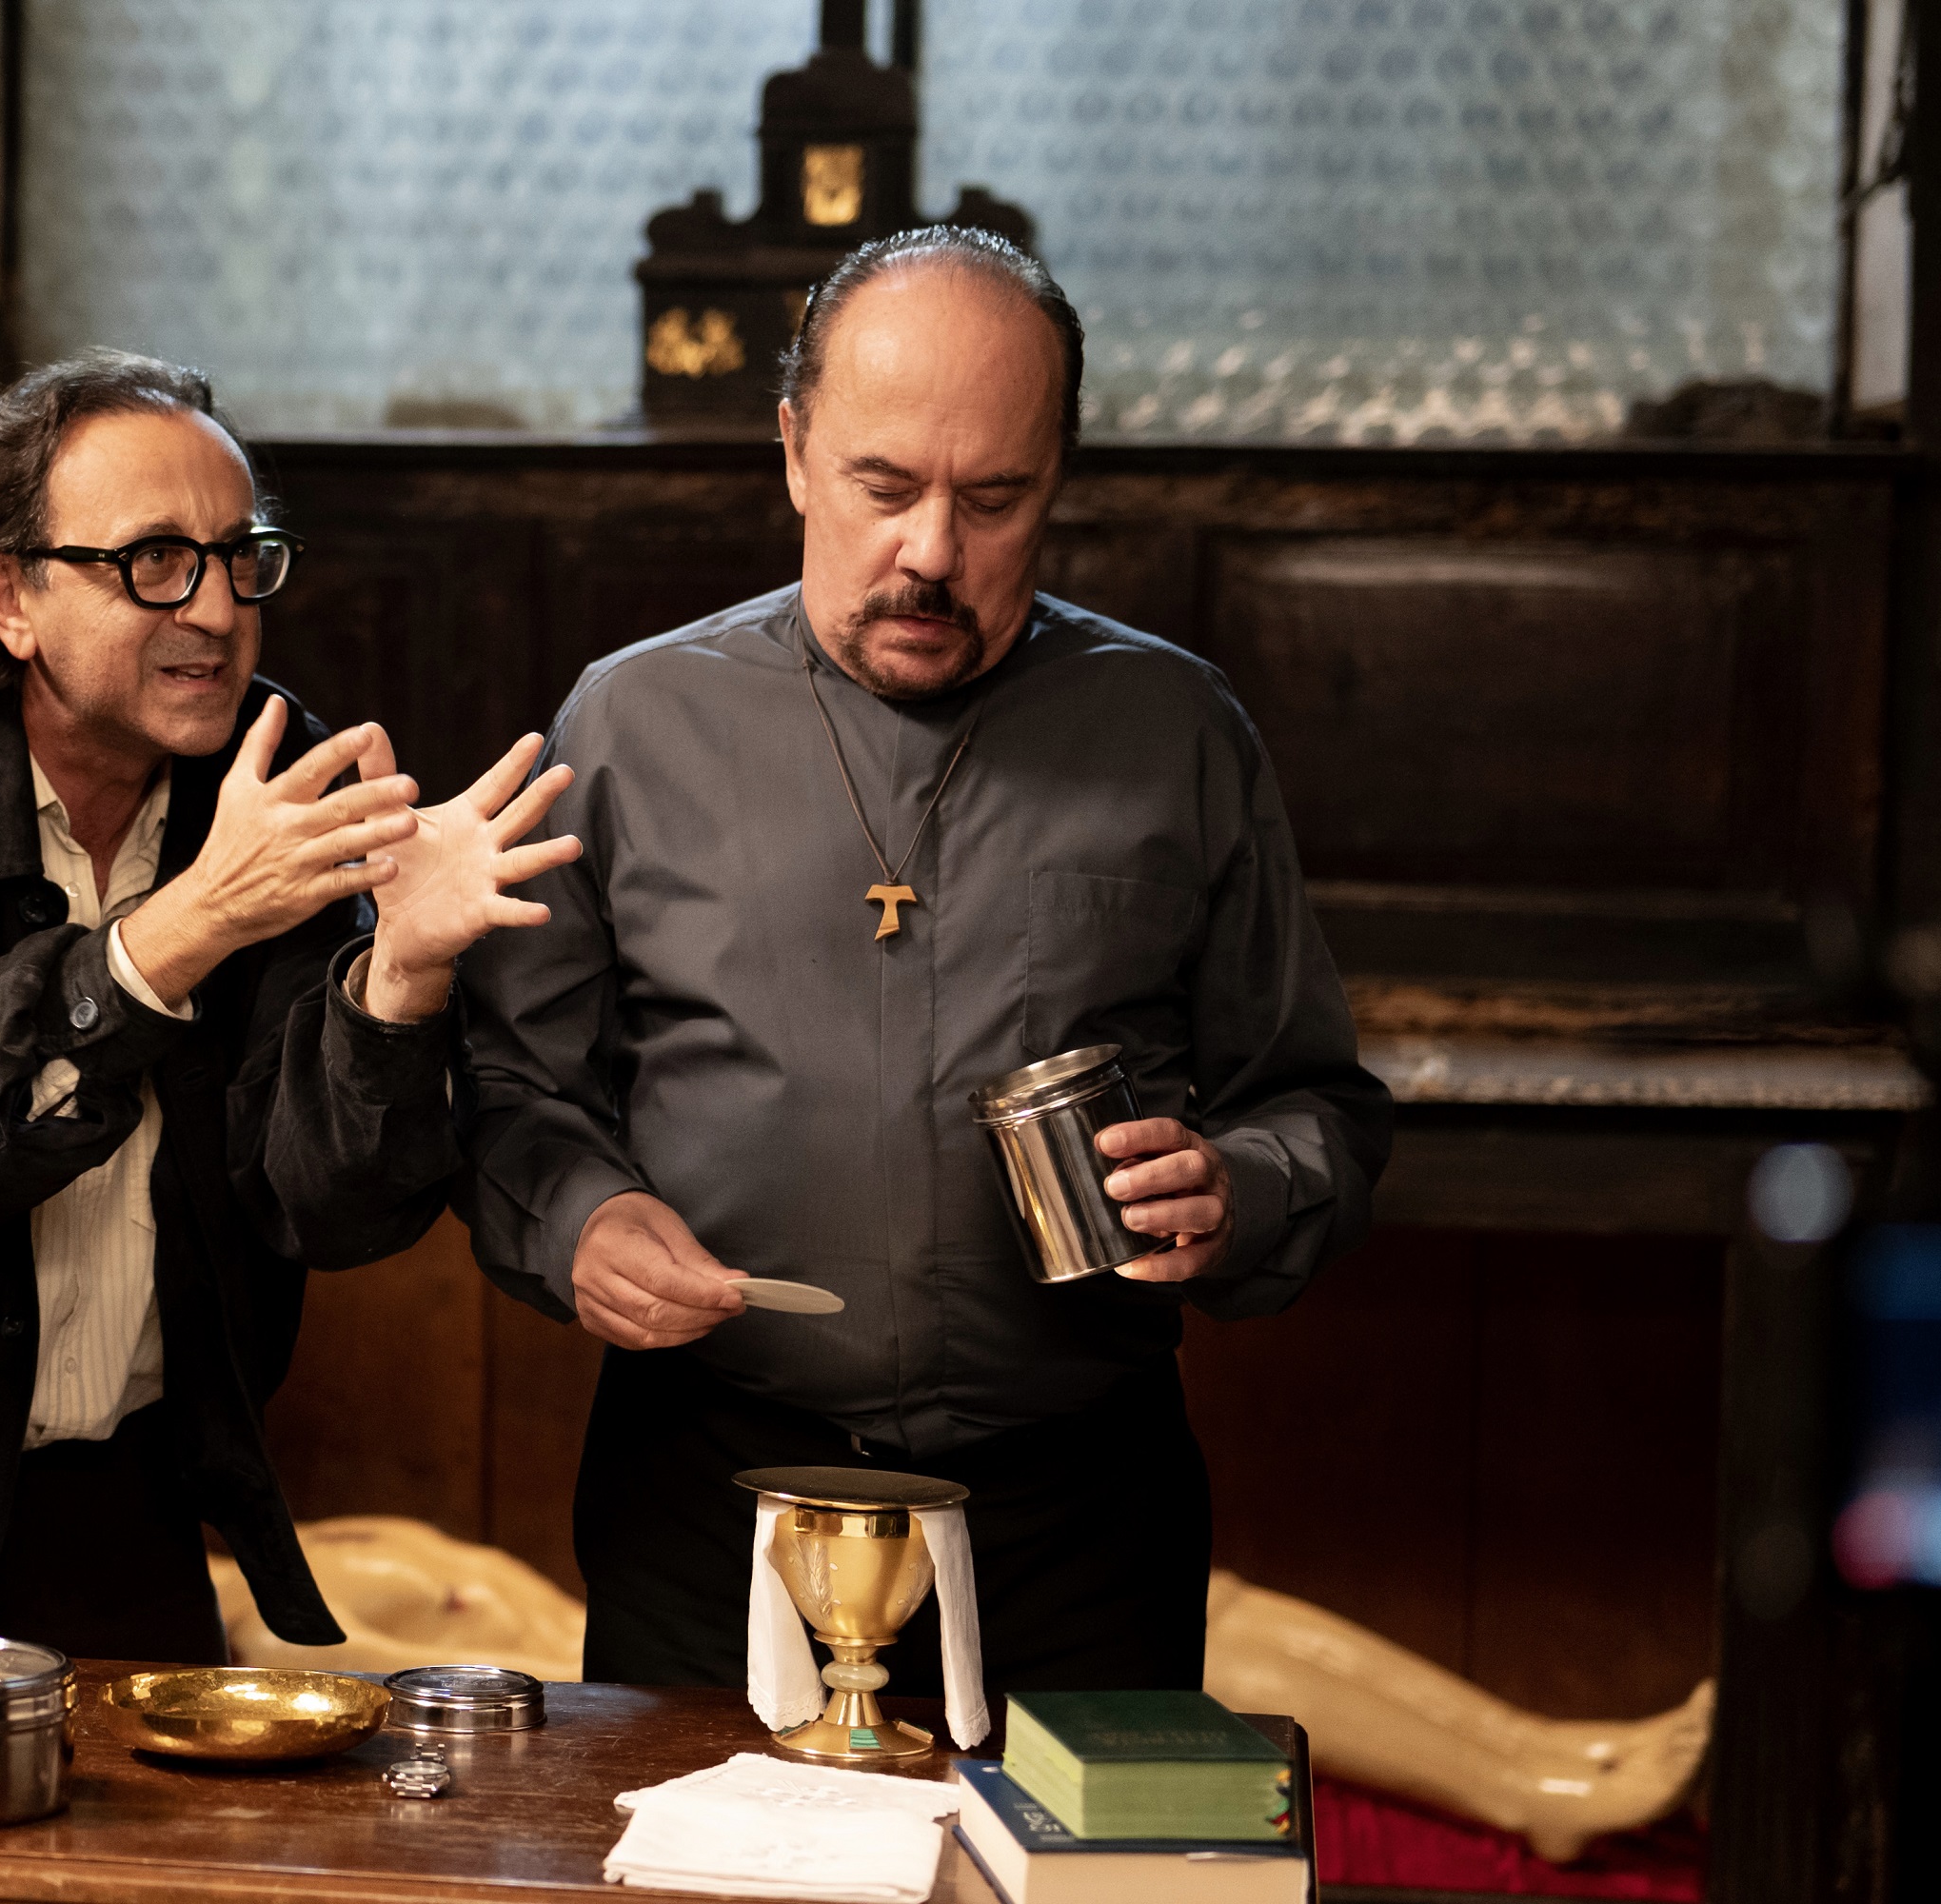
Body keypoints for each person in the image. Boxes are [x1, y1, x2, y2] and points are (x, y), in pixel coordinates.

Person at [457, 228, 1394, 1694]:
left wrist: (1242, 1190)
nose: (934, 555)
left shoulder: (1173, 731)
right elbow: (510, 1087)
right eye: (884, 489)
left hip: (1079, 1524)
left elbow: (1318, 1105)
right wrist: (578, 1216)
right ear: (794, 452)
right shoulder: (631, 724)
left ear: (1059, 476)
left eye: (995, 499)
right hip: (711, 1505)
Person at [0, 349, 578, 1655]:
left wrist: (401, 978)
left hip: (127, 1501)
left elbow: (329, 1210)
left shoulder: (268, 774)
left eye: (242, 557)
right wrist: (190, 924)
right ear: (11, 595)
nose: (216, 608)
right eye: (155, 561)